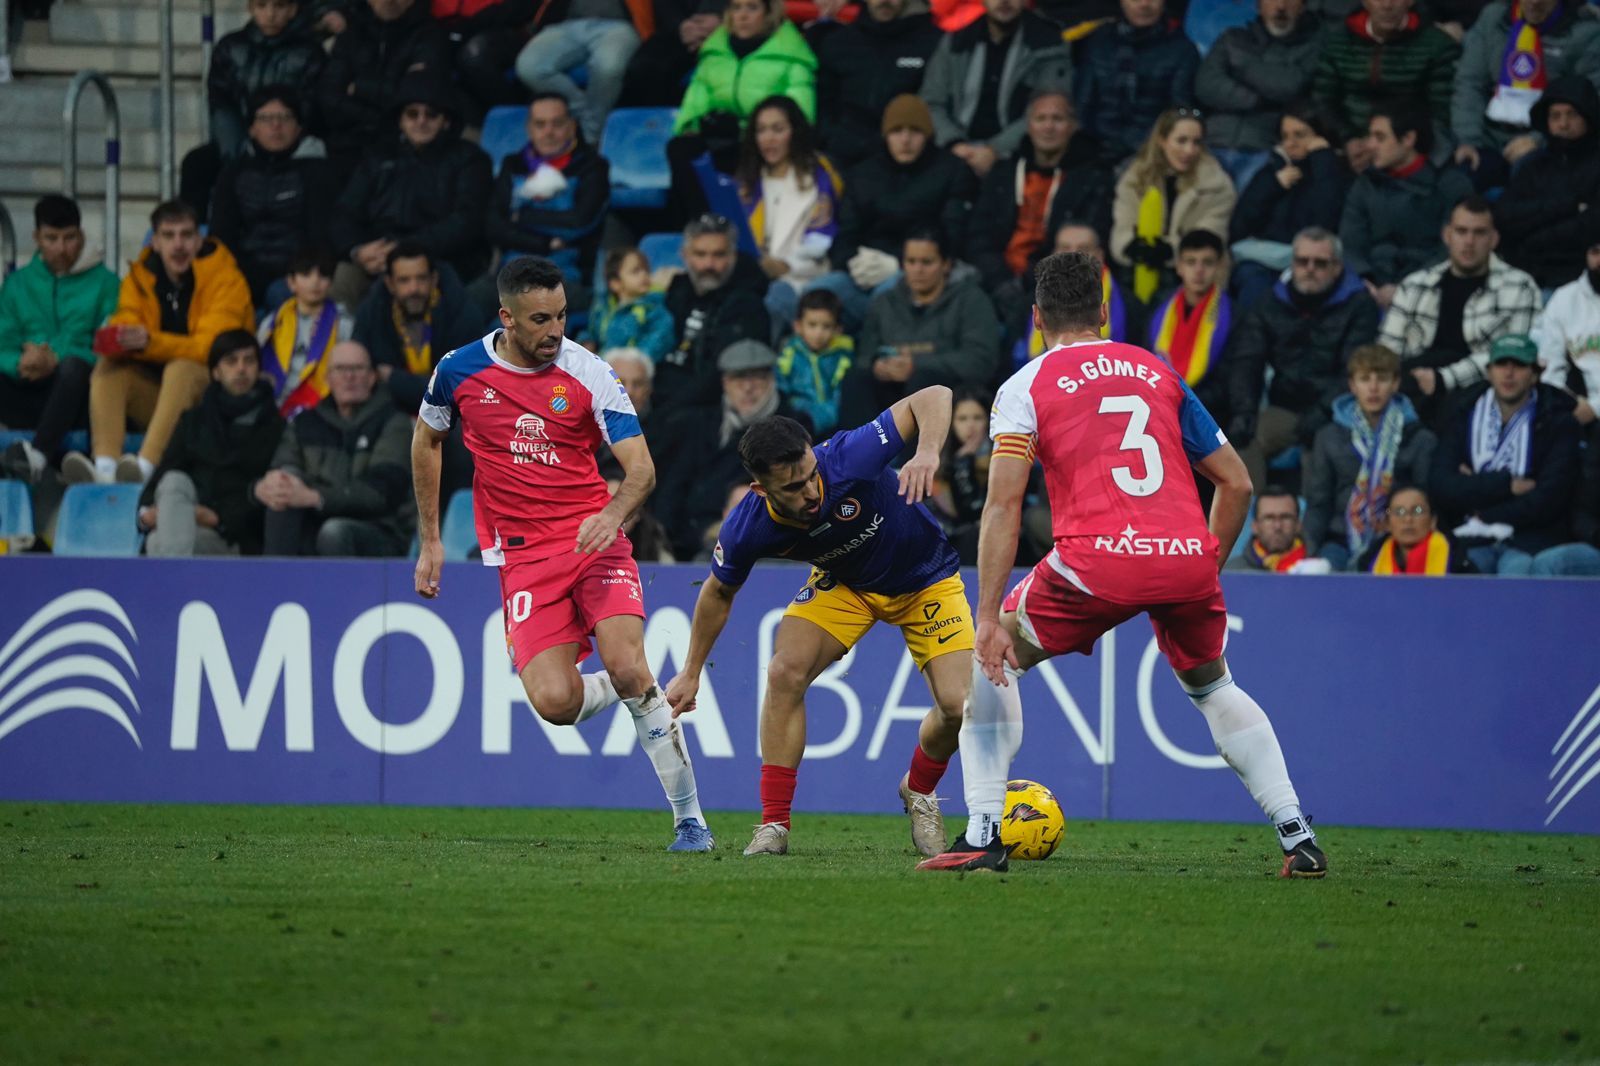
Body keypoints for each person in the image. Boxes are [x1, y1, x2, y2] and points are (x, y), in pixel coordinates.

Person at [917, 251, 1326, 878]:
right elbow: (1237, 484)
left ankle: (982, 832)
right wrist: (1201, 564)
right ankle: (1297, 835)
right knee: (1215, 687)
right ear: (1105, 313)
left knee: (988, 659)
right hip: (1186, 556)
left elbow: (1002, 506)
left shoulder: (1026, 384)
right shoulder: (1157, 371)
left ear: (1036, 319)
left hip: (1096, 559)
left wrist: (988, 615)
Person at [413, 256, 714, 851]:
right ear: (507, 317)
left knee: (628, 662)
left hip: (593, 542)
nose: (555, 331)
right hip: (523, 558)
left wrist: (610, 515)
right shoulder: (458, 371)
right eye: (540, 320)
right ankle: (630, 691)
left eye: (562, 316)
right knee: (555, 703)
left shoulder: (589, 373)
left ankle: (690, 820)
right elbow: (427, 439)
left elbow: (642, 470)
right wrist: (430, 539)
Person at [664, 387, 975, 857]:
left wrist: (927, 452)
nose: (811, 492)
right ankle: (773, 825)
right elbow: (718, 592)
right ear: (760, 490)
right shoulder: (748, 525)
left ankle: (920, 789)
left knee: (957, 705)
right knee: (784, 671)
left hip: (925, 578)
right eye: (792, 488)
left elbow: (933, 396)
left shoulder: (849, 456)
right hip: (847, 585)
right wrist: (690, 672)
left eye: (811, 476)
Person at [75, 201, 254, 485]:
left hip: (212, 402)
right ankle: (106, 469)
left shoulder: (226, 279)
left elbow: (214, 349)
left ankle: (145, 469)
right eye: (169, 236)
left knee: (182, 368)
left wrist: (150, 343)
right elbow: (127, 320)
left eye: (186, 235)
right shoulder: (140, 277)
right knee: (109, 368)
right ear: (155, 242)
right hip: (162, 404)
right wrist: (120, 339)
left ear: (199, 240)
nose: (178, 245)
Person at [1430, 333, 1600, 575]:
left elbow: (1550, 498)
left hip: (1529, 540)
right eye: (1501, 364)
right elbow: (1441, 485)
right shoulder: (1462, 413)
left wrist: (1482, 507)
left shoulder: (1558, 420)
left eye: (1518, 365)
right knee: (1452, 574)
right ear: (1489, 371)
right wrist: (1504, 485)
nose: (1508, 373)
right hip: (1469, 538)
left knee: (1516, 577)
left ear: (1535, 374)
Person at [1227, 227, 1381, 492]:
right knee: (1240, 440)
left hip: (1340, 411)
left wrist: (1323, 411)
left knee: (1323, 443)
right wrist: (1244, 411)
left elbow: (1355, 369)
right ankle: (1253, 525)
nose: (1310, 269)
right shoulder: (1271, 300)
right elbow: (1247, 360)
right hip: (1285, 406)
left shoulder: (1360, 304)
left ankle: (1310, 529)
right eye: (1302, 261)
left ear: (1336, 267)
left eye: (1320, 263)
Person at [812, 94, 977, 329]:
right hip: (862, 269)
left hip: (918, 272)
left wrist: (900, 264)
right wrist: (853, 262)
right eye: (897, 131)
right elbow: (845, 231)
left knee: (887, 296)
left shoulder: (952, 171)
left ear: (928, 135)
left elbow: (951, 234)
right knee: (818, 293)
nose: (905, 139)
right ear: (885, 135)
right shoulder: (863, 173)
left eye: (914, 131)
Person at [329, 75, 494, 307]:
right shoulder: (377, 156)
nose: (421, 121)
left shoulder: (470, 159)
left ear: (446, 121)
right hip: (378, 256)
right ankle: (345, 344)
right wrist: (358, 250)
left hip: (442, 258)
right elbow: (345, 212)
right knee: (344, 276)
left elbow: (467, 220)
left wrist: (404, 250)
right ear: (401, 120)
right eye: (412, 114)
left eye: (431, 114)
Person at [1378, 196, 1542, 422]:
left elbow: (1513, 357)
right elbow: (1387, 352)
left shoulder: (1519, 286)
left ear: (1494, 239)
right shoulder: (1415, 284)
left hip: (1480, 391)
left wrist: (1443, 378)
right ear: (1447, 235)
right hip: (1413, 385)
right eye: (1461, 231)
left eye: (1479, 233)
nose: (1469, 241)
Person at [652, 339, 815, 559]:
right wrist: (702, 533)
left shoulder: (794, 426)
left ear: (771, 380)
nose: (748, 388)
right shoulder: (699, 426)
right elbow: (672, 494)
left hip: (777, 545)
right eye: (739, 378)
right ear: (725, 382)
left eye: (756, 377)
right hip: (700, 545)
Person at [965, 91, 1113, 326]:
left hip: (1057, 280)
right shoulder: (1003, 172)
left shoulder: (1092, 177)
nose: (1048, 127)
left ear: (1073, 126)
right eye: (1040, 119)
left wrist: (1027, 282)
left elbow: (1083, 240)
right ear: (1028, 125)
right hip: (994, 280)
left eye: (1057, 119)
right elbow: (979, 235)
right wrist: (999, 279)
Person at [0, 195, 119, 484]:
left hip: (81, 397)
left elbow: (110, 347)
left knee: (74, 368)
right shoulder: (18, 285)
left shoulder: (106, 283)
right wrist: (19, 363)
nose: (61, 248)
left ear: (81, 236)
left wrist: (54, 357)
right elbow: (4, 344)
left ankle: (37, 457)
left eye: (69, 238)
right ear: (36, 238)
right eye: (51, 238)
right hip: (30, 389)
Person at [257, 340, 415, 557]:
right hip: (315, 523)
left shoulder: (394, 422)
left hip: (381, 531)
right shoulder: (305, 422)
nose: (349, 376)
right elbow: (284, 467)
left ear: (372, 378)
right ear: (328, 378)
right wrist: (266, 486)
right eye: (340, 369)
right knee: (283, 486)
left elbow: (380, 493)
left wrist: (316, 497)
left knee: (334, 532)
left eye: (357, 369)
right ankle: (275, 585)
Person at [666, 0, 818, 219]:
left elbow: (800, 119)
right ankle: (701, 225)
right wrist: (702, 123)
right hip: (719, 140)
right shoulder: (713, 53)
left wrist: (745, 129)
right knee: (682, 148)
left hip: (761, 143)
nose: (743, 16)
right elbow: (692, 108)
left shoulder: (793, 55)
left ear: (769, 13)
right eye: (736, 8)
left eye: (752, 8)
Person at [138, 331, 286, 556]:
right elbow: (165, 471)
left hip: (233, 535)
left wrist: (217, 518)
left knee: (157, 544)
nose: (241, 369)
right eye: (231, 361)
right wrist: (148, 512)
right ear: (216, 372)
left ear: (259, 369)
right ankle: (173, 580)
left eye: (249, 360)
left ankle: (167, 582)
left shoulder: (275, 426)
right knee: (174, 480)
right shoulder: (194, 420)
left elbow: (267, 494)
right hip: (184, 517)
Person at [838, 226, 1001, 428]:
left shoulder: (971, 300)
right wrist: (876, 365)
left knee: (924, 381)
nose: (918, 269)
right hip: (890, 392)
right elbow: (863, 355)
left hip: (946, 393)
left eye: (927, 262)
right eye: (911, 261)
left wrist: (917, 365)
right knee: (856, 378)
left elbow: (981, 361)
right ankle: (859, 457)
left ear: (946, 264)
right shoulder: (885, 302)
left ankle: (918, 459)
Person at [1302, 344, 1437, 568]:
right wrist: (1311, 551)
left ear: (1395, 384)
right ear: (1352, 385)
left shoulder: (1420, 439)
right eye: (1365, 379)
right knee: (1320, 571)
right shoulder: (1328, 437)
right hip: (1340, 540)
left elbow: (1425, 501)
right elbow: (1318, 502)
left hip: (1397, 541)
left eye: (1382, 379)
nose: (1373, 388)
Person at [208, 87, 339, 306]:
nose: (275, 126)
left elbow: (320, 237)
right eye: (266, 118)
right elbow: (222, 235)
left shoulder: (318, 172)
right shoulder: (233, 173)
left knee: (280, 294)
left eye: (285, 117)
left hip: (296, 274)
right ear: (251, 128)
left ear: (298, 127)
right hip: (243, 272)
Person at [1450, 0, 1600, 188]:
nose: (1535, 2)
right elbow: (1470, 82)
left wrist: (1540, 140)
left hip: (1547, 141)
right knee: (1462, 179)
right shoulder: (1494, 18)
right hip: (1488, 135)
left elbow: (1590, 101)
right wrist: (1468, 139)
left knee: (1529, 179)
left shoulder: (1585, 33)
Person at [1339, 103, 1476, 307]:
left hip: (1430, 291)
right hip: (1369, 290)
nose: (1369, 145)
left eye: (1380, 137)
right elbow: (1351, 242)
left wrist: (1408, 288)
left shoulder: (1451, 185)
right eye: (1370, 136)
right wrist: (1365, 282)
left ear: (1408, 139)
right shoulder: (1365, 184)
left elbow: (1452, 249)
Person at [920, 0, 1075, 179]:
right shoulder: (956, 42)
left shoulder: (1048, 43)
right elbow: (931, 102)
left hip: (1020, 158)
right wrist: (955, 144)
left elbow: (1050, 110)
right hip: (955, 154)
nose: (1004, 1)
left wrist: (995, 150)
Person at [483, 93, 611, 303]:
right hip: (510, 273)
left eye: (557, 124)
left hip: (567, 277)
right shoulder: (513, 165)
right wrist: (546, 242)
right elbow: (494, 226)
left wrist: (519, 217)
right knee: (467, 303)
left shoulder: (593, 167)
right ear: (529, 129)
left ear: (572, 126)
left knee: (526, 309)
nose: (548, 132)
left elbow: (579, 222)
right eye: (540, 124)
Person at [734, 95, 845, 329]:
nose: (768, 139)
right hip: (751, 275)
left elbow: (821, 238)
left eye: (778, 129)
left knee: (775, 297)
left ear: (795, 132)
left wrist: (786, 265)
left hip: (800, 278)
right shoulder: (746, 180)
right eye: (761, 130)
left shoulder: (819, 174)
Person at [1311, 0, 1460, 173]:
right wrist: (1349, 139)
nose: (1387, 5)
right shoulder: (1338, 42)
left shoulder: (1437, 45)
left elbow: (1441, 112)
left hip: (1410, 148)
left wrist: (1395, 148)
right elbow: (1323, 100)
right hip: (1348, 147)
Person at [1229, 102, 1352, 311]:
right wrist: (1273, 186)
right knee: (1251, 279)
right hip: (1264, 262)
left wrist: (1322, 160)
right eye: (1285, 136)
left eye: (1300, 135)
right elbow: (1239, 227)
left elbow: (1326, 221)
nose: (1290, 143)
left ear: (1319, 137)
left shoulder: (1334, 174)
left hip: (1311, 263)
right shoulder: (1272, 172)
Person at [1111, 108, 1237, 308]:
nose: (1189, 150)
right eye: (1181, 141)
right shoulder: (1135, 178)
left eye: (1196, 142)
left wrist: (1170, 250)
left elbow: (1210, 235)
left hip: (1192, 273)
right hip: (1137, 268)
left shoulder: (1217, 185)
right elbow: (1122, 226)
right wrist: (1131, 246)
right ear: (1162, 140)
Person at [1194, 0, 1324, 184]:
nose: (1281, 6)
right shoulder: (1233, 38)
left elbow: (1289, 86)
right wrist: (1256, 100)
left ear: (1303, 7)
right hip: (1212, 142)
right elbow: (1206, 86)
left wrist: (1243, 66)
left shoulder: (1311, 49)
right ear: (1258, 5)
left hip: (1263, 149)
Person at [316, 0, 451, 174]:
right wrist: (376, 117)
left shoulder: (430, 35)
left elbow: (416, 95)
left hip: (402, 146)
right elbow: (328, 95)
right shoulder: (352, 32)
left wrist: (360, 88)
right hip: (346, 141)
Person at [657, 213, 773, 412]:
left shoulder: (747, 306)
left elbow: (718, 379)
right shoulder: (676, 292)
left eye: (718, 255)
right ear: (685, 255)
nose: (709, 265)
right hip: (659, 397)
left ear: (733, 257)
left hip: (703, 412)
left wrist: (669, 407)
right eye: (700, 254)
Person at [1493, 77, 1600, 291]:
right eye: (1555, 116)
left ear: (1588, 116)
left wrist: (1534, 238)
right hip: (1526, 277)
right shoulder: (1531, 166)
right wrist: (1568, 206)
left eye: (1572, 114)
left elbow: (1590, 226)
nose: (1563, 124)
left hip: (1581, 282)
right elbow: (1506, 217)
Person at [351, 244, 485, 414]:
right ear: (390, 284)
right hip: (388, 414)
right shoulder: (371, 314)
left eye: (421, 278)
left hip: (448, 417)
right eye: (404, 280)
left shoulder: (462, 313)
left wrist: (394, 379)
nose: (413, 289)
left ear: (434, 279)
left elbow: (461, 389)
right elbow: (362, 383)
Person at [811, 0, 942, 170]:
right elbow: (823, 105)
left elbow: (936, 105)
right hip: (842, 157)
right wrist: (835, 139)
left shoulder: (933, 43)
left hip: (909, 162)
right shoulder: (838, 42)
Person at [1072, 0, 1200, 166]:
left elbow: (1179, 113)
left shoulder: (1183, 50)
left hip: (1152, 152)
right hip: (1094, 146)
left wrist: (1136, 145)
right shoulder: (1098, 41)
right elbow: (1082, 104)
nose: (1144, 4)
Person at [513, 0, 653, 143]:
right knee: (529, 66)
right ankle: (580, 116)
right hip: (566, 25)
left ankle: (590, 136)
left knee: (608, 65)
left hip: (619, 25)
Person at [1010, 222, 1129, 365]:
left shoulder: (1129, 304)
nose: (1073, 256)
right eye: (1065, 248)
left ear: (1100, 255)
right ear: (1052, 254)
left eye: (1083, 248)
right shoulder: (1026, 304)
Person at [256, 247, 355, 419]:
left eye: (323, 276)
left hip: (323, 404)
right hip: (274, 403)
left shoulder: (345, 323)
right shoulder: (273, 322)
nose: (315, 282)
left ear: (331, 282)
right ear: (291, 282)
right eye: (306, 275)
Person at [1145, 230, 1233, 414]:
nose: (1199, 270)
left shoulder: (1234, 315)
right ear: (1179, 267)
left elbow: (1230, 380)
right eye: (1191, 262)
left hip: (1207, 413)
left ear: (1219, 267)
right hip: (1155, 403)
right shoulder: (1158, 304)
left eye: (1207, 262)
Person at [1535, 242, 1600, 424]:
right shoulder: (1565, 299)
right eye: (1596, 252)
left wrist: (1595, 408)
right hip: (1578, 410)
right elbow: (1550, 368)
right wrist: (1566, 403)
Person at [776, 288, 853, 435]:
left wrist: (817, 419)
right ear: (798, 326)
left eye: (826, 326)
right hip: (795, 423)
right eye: (812, 325)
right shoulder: (789, 353)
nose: (818, 333)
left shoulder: (843, 358)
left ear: (838, 329)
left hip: (834, 425)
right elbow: (781, 389)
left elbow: (840, 398)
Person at [930, 387, 992, 563]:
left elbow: (978, 512)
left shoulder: (1003, 457)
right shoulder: (937, 461)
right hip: (956, 541)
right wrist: (963, 463)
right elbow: (962, 514)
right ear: (951, 423)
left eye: (978, 418)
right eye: (962, 419)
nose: (970, 426)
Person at [1356, 483, 1474, 573]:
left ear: (1433, 521)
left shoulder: (1458, 564)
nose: (1408, 519)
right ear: (1387, 523)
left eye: (1418, 511)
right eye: (1399, 511)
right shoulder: (1368, 563)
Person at [586, 247, 677, 363]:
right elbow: (591, 333)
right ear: (615, 284)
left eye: (646, 270)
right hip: (603, 368)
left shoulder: (655, 310)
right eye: (635, 271)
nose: (644, 275)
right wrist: (586, 342)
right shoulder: (603, 309)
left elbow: (656, 344)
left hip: (633, 373)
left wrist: (628, 364)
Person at [1225, 486, 1316, 571]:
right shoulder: (1230, 572)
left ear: (1298, 525)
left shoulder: (1319, 572)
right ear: (1255, 526)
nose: (1277, 526)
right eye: (1269, 518)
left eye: (1285, 517)